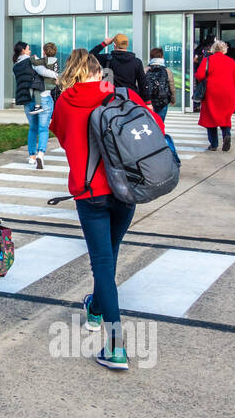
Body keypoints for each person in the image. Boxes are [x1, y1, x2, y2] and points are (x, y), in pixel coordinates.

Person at [51, 48, 164, 371]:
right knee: (109, 258)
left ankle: (115, 346)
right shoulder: (123, 95)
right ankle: (96, 307)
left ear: (72, 73)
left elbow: (61, 137)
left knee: (102, 263)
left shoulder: (65, 102)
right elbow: (156, 128)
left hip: (90, 192)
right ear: (99, 71)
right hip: (126, 188)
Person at [12, 41, 59, 168]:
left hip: (27, 99)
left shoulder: (15, 66)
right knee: (43, 128)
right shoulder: (32, 60)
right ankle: (40, 154)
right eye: (28, 49)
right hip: (42, 96)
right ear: (22, 50)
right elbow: (43, 71)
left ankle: (32, 157)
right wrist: (57, 76)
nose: (30, 51)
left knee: (33, 128)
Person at [195, 39, 235, 151]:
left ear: (213, 49)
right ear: (225, 50)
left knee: (210, 118)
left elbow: (200, 75)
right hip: (228, 92)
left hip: (211, 92)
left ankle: (214, 144)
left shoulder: (208, 60)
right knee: (225, 117)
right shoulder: (231, 61)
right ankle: (227, 134)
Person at [90, 33, 147, 99]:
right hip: (131, 98)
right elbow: (142, 83)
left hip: (111, 98)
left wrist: (104, 43)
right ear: (127, 45)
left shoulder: (107, 59)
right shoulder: (137, 62)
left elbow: (91, 55)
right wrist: (147, 101)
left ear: (114, 45)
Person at [144, 47, 174, 122]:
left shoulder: (145, 70)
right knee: (160, 123)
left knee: (150, 123)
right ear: (162, 57)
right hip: (163, 101)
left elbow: (140, 85)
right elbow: (171, 86)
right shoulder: (167, 70)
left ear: (151, 57)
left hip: (148, 102)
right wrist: (173, 99)